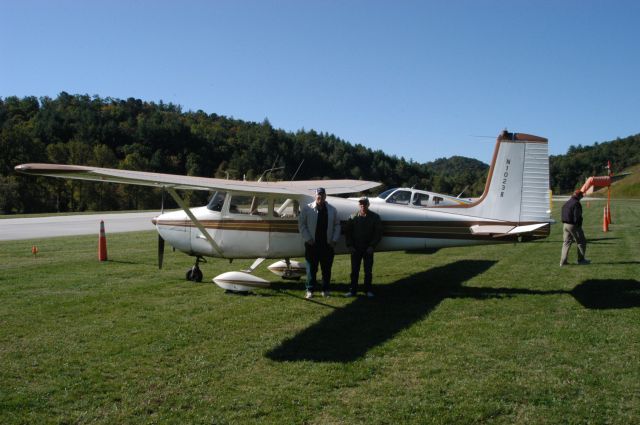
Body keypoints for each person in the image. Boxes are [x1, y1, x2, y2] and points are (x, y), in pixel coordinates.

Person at [298, 187, 341, 299]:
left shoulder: (332, 209)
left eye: (322, 195)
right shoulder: (307, 209)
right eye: (318, 195)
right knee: (311, 269)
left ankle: (325, 290)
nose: (320, 197)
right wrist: (308, 239)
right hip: (312, 244)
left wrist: (334, 240)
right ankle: (310, 290)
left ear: (325, 196)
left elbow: (337, 225)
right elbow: (302, 225)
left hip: (327, 245)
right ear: (315, 196)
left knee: (326, 269)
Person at [344, 197, 383, 297]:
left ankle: (368, 290)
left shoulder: (375, 217)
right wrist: (350, 246)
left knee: (368, 271)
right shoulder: (352, 217)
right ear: (359, 205)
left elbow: (378, 234)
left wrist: (372, 246)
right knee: (354, 271)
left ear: (368, 204)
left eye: (364, 203)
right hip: (355, 248)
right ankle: (352, 291)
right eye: (361, 203)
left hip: (368, 248)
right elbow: (348, 233)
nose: (362, 205)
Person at [560, 189, 590, 266]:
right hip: (573, 225)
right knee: (581, 242)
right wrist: (578, 225)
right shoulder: (576, 203)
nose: (582, 197)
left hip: (565, 225)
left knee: (566, 243)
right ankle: (581, 260)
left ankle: (563, 262)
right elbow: (577, 216)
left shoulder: (567, 202)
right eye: (581, 195)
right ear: (578, 196)